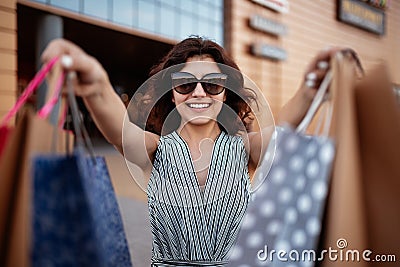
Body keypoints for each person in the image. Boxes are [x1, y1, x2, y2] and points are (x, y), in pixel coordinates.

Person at [41, 37, 336, 266]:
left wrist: (312, 89)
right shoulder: (156, 149)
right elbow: (122, 131)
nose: (198, 92)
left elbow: (282, 134)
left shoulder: (246, 148)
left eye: (211, 84)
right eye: (184, 84)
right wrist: (94, 83)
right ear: (171, 92)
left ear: (225, 91)